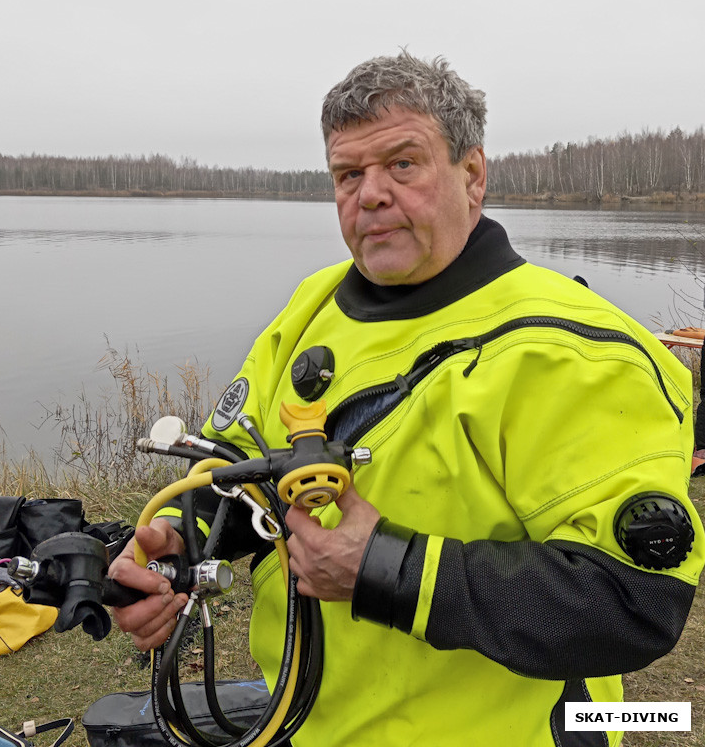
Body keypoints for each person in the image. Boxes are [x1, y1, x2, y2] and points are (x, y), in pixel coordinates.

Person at [108, 51, 704, 747]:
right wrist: (174, 546)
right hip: (302, 725)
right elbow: (235, 467)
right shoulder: (310, 308)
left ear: (472, 175)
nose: (371, 194)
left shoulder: (578, 351)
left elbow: (632, 603)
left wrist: (389, 570)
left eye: (402, 164)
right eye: (348, 174)